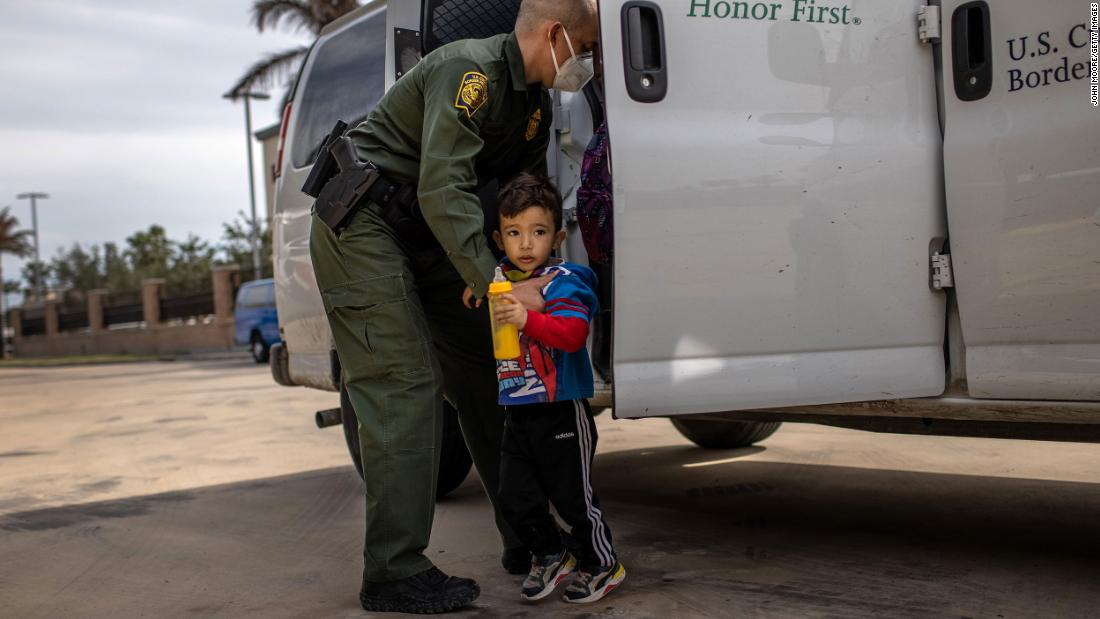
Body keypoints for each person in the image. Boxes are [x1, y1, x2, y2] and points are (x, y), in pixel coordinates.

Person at [308, 0, 601, 613]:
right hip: (363, 222)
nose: (590, 60)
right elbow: (444, 186)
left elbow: (513, 201)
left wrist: (525, 273)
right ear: (555, 36)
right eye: (588, 45)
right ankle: (392, 572)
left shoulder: (533, 105)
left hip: (430, 236)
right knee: (404, 385)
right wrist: (494, 281)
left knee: (491, 378)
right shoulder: (466, 72)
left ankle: (533, 541)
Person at [488, 173, 625, 604]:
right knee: (513, 497)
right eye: (514, 233)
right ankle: (551, 554)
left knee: (573, 499)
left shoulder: (564, 280)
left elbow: (570, 335)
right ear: (499, 238)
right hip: (518, 409)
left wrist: (527, 319)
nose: (526, 244)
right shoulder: (505, 280)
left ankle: (602, 563)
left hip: (561, 408)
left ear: (558, 236)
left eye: (538, 232)